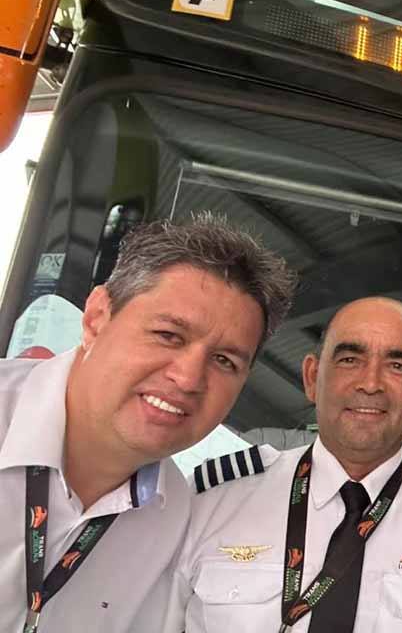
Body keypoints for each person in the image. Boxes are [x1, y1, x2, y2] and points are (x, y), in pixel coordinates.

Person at [0, 213, 296, 633]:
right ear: (97, 318)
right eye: (168, 335)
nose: (189, 379)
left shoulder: (177, 515)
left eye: (224, 361)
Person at [169, 296, 402, 632]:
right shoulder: (214, 501)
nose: (370, 383)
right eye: (350, 359)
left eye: (397, 366)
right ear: (311, 377)